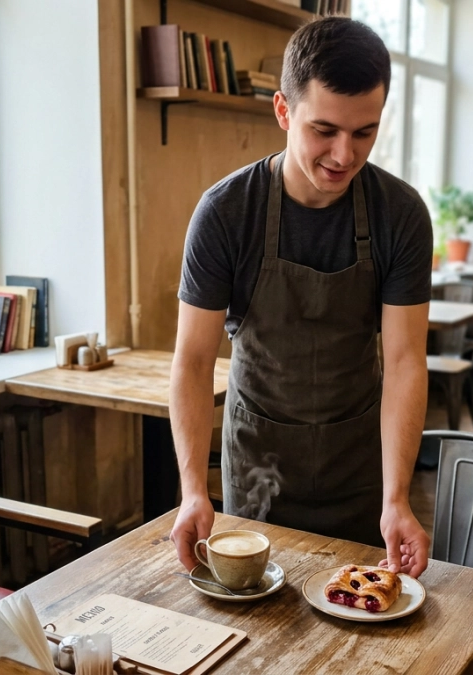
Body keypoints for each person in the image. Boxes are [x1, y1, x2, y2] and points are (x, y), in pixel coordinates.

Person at [170, 17, 432, 579]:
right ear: (283, 112)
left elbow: (407, 361)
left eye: (365, 132)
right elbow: (192, 361)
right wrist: (194, 490)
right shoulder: (225, 213)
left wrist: (398, 497)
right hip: (260, 458)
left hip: (358, 466)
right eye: (325, 130)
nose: (344, 154)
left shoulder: (401, 214)